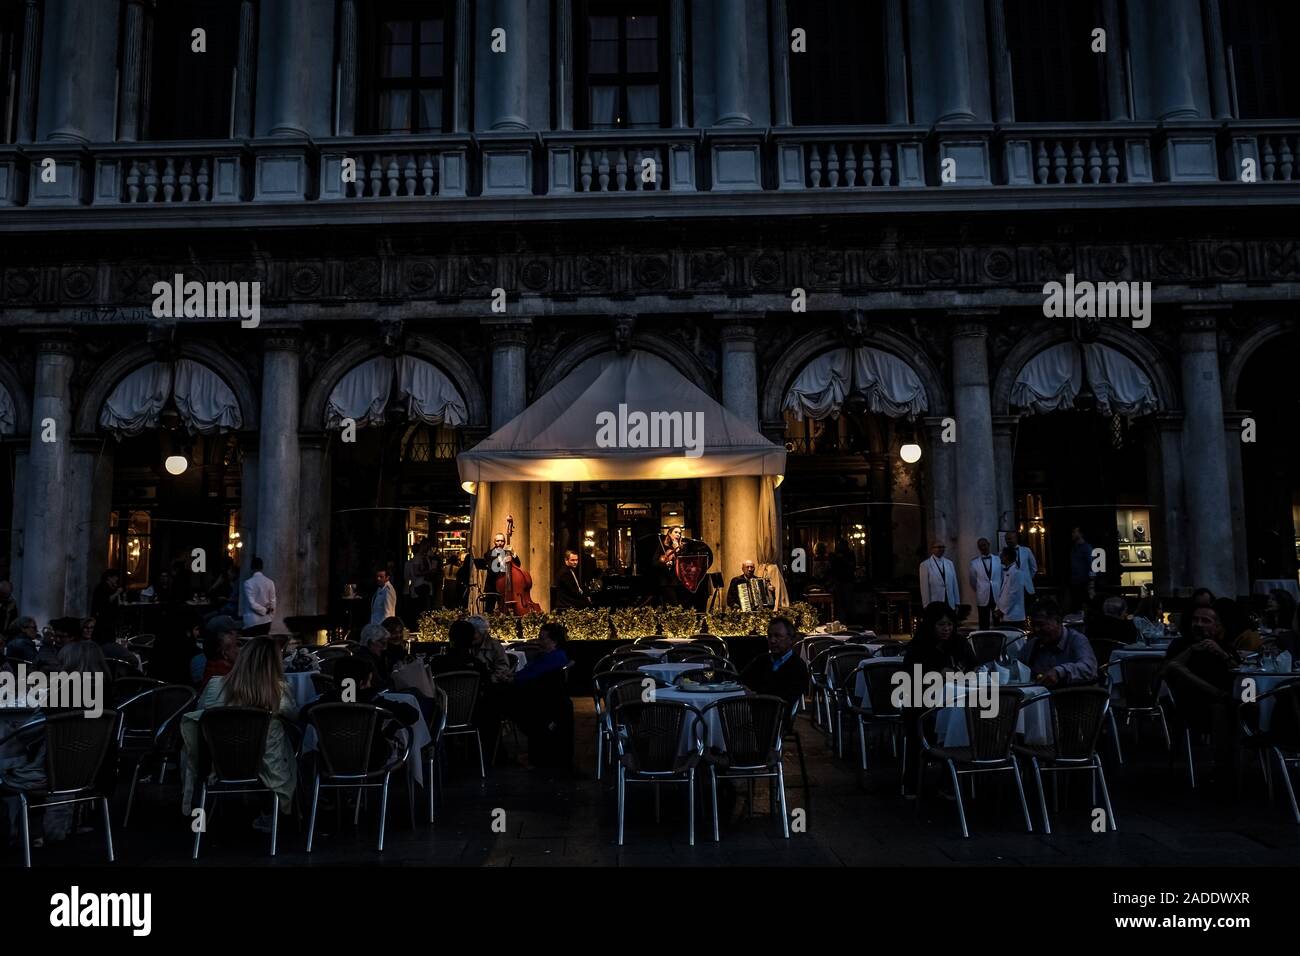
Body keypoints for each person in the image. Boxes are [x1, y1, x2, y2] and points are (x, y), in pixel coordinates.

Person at [180, 636, 299, 830]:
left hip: (217, 763)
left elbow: (201, 719)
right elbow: (295, 717)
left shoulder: (214, 686)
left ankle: (198, 824)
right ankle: (277, 813)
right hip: (265, 767)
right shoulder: (279, 691)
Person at [901, 603, 975, 796]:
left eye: (950, 624)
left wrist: (963, 673)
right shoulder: (918, 647)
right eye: (941, 624)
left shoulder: (959, 644)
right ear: (931, 625)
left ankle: (950, 780)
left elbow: (973, 666)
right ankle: (913, 782)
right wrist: (936, 674)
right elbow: (910, 678)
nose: (946, 629)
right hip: (923, 705)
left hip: (956, 702)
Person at [301, 656, 420, 770]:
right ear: (362, 683)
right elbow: (412, 714)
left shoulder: (324, 702)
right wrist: (390, 729)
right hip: (371, 760)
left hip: (329, 760)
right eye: (369, 681)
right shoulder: (372, 701)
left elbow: (302, 714)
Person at [512, 622, 573, 770]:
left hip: (539, 698)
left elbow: (531, 674)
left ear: (554, 640)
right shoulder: (550, 656)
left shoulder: (553, 659)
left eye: (542, 638)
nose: (539, 641)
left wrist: (512, 678)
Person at [1018, 600, 1097, 687]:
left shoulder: (1076, 640)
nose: (1036, 629)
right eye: (1033, 625)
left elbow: (1089, 668)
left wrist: (1060, 672)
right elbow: (1018, 666)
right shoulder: (1034, 644)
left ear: (1058, 621)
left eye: (1041, 624)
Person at [739, 615, 808, 709]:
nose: (772, 640)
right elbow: (740, 679)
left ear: (791, 639)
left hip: (777, 719)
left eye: (778, 636)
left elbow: (786, 697)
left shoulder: (798, 666)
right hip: (749, 713)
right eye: (769, 636)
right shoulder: (761, 660)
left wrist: (756, 695)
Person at [465, 614, 515, 684]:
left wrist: (488, 680)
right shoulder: (466, 645)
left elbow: (503, 669)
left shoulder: (494, 646)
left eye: (474, 633)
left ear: (483, 633)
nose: (470, 636)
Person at [967, 538, 1003, 630]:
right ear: (978, 548)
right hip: (983, 595)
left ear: (989, 544)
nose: (983, 547)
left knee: (998, 621)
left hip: (997, 595)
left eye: (984, 545)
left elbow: (1002, 577)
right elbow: (973, 580)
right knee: (983, 622)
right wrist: (980, 588)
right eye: (980, 546)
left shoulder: (998, 560)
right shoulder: (974, 563)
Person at [241, 557, 276, 636]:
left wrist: (264, 611)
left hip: (252, 621)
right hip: (266, 621)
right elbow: (273, 601)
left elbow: (252, 603)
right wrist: (270, 616)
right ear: (262, 567)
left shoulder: (248, 583)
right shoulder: (270, 582)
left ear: (251, 568)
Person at [918, 541, 958, 610]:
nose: (941, 549)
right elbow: (924, 587)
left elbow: (954, 584)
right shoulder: (925, 565)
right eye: (939, 547)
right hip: (935, 601)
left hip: (949, 601)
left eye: (943, 547)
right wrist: (926, 605)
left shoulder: (949, 563)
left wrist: (957, 602)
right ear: (932, 549)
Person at [198, 627, 239, 692]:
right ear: (224, 654)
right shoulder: (229, 676)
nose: (238, 650)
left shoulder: (211, 667)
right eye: (236, 646)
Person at [995, 546, 1028, 627]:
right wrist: (997, 608)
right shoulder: (1008, 571)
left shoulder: (1017, 573)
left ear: (1007, 557)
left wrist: (1001, 610)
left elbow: (1012, 595)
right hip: (1006, 615)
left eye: (1002, 555)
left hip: (1014, 616)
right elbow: (1003, 593)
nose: (1000, 557)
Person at [90, 569, 124, 643]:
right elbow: (106, 601)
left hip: (111, 618)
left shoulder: (112, 587)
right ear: (109, 577)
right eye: (115, 577)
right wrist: (117, 592)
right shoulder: (102, 587)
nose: (117, 579)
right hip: (103, 618)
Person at [1067, 527, 1095, 612]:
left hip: (1084, 581)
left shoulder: (1087, 547)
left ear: (1080, 534)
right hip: (1075, 581)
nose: (1072, 534)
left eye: (1074, 532)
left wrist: (1092, 582)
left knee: (1086, 604)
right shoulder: (1074, 548)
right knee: (1076, 605)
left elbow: (1092, 564)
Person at [1003, 530, 1037, 596]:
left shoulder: (1026, 550)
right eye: (1006, 539)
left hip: (1026, 587)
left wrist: (1027, 577)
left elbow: (1034, 568)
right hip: (1011, 588)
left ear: (1016, 538)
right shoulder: (1002, 553)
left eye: (1009, 539)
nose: (1008, 541)